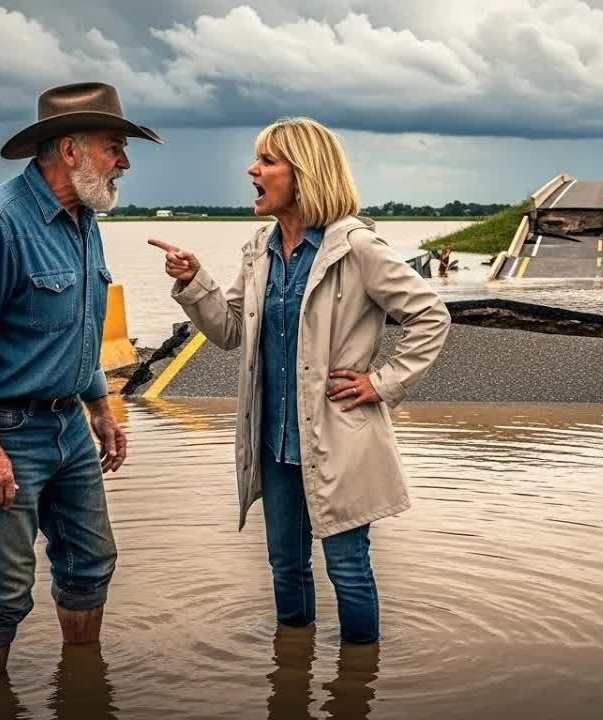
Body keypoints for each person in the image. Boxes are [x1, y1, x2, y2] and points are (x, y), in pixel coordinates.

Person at [148, 117, 450, 644]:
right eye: (256, 159)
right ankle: (292, 674)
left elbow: (431, 315)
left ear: (304, 173)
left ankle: (356, 688)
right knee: (286, 569)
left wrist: (381, 382)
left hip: (338, 437)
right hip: (274, 443)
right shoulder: (258, 249)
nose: (252, 169)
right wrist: (194, 282)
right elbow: (228, 330)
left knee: (349, 572)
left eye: (266, 160)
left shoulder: (356, 248)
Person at [0, 82, 161, 676]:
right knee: (3, 589)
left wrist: (102, 408)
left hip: (70, 427)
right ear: (70, 150)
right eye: (115, 147)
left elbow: (77, 329)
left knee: (91, 565)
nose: (126, 163)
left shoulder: (84, 219)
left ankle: (83, 687)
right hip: (6, 429)